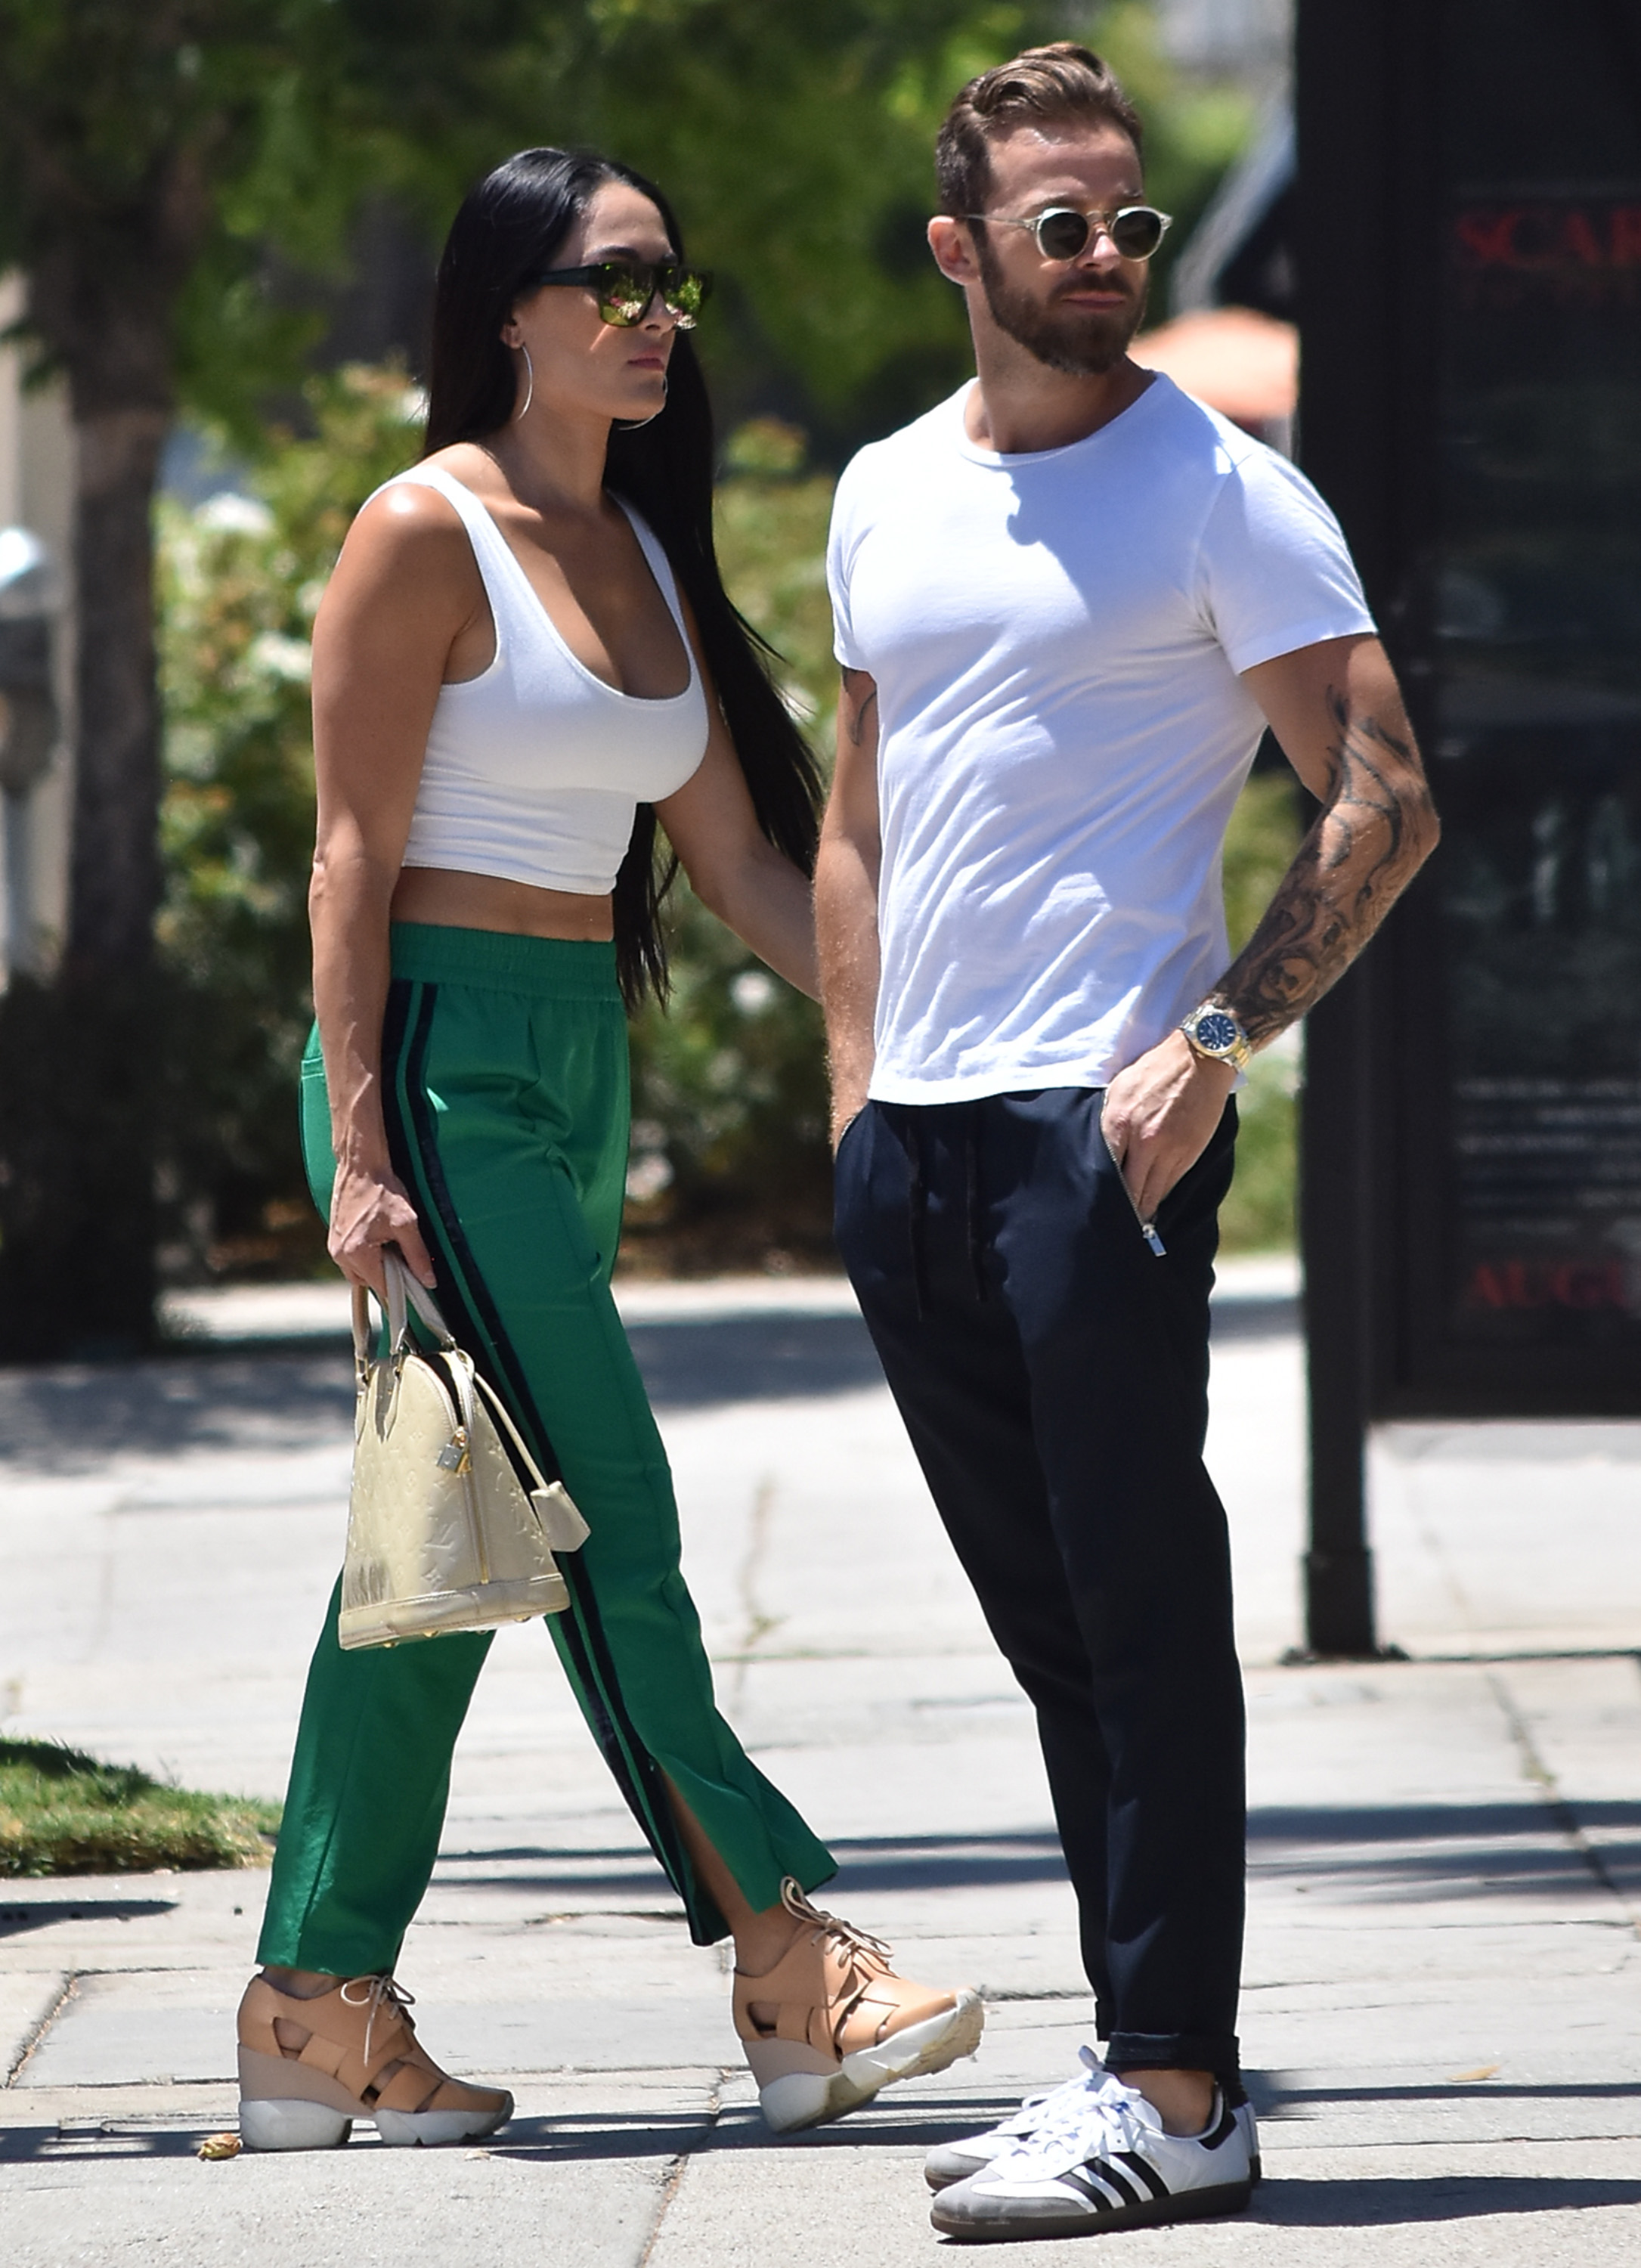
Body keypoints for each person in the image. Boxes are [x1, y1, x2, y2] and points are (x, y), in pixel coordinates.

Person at [236, 145, 982, 2154]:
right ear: (508, 308)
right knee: (607, 1525)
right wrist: (364, 1147)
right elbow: (349, 858)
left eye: (674, 286)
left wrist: (914, 1039)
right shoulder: (422, 533)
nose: (658, 320)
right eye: (618, 283)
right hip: (441, 1069)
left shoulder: (644, 547)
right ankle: (785, 1953)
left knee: (438, 1561)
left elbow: (738, 854)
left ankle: (315, 2004)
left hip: (574, 1064)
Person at [817, 45, 1439, 2242]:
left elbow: (1381, 795)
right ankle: (1134, 2061)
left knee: (1142, 1614)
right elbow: (860, 804)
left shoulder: (1213, 487)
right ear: (959, 251)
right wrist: (849, 1098)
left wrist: (1209, 1040)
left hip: (1107, 1137)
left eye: (1127, 225)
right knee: (1053, 1634)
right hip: (914, 1149)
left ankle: (1174, 2082)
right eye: (1060, 224)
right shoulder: (884, 490)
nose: (1101, 258)